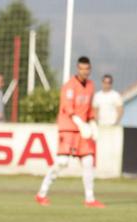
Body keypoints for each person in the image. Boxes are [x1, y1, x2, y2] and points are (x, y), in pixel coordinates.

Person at [35, 56, 104, 208]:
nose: (84, 72)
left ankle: (90, 199)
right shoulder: (69, 86)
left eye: (87, 69)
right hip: (68, 128)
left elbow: (89, 108)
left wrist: (92, 124)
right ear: (77, 69)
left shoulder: (91, 86)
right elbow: (67, 108)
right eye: (82, 69)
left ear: (90, 69)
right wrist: (81, 124)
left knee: (88, 162)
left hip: (82, 130)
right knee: (62, 162)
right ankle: (41, 194)